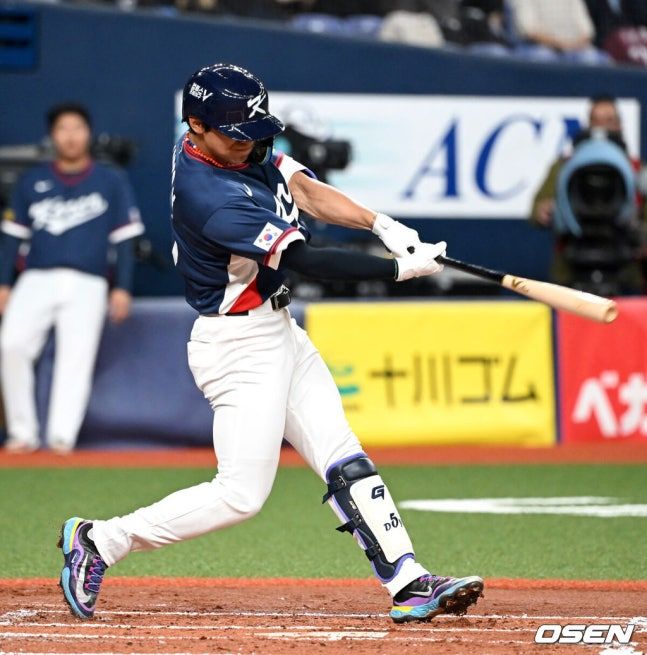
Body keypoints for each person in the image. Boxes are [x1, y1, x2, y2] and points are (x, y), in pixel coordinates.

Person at [57, 63, 483, 625]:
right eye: (236, 134)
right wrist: (398, 270)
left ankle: (408, 581)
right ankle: (100, 540)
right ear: (196, 126)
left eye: (253, 131)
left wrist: (381, 224)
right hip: (237, 344)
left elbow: (300, 186)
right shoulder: (210, 195)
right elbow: (306, 260)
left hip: (279, 329)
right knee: (241, 495)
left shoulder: (230, 145)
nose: (250, 143)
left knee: (342, 455)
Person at [0, 104, 144, 454]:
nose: (70, 136)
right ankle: (22, 432)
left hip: (88, 280)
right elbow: (12, 238)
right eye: (63, 129)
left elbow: (125, 239)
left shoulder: (110, 179)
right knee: (10, 345)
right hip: (36, 276)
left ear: (88, 133)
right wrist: (3, 283)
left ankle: (61, 438)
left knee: (75, 358)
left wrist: (122, 287)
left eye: (77, 128)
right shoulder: (32, 180)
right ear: (53, 135)